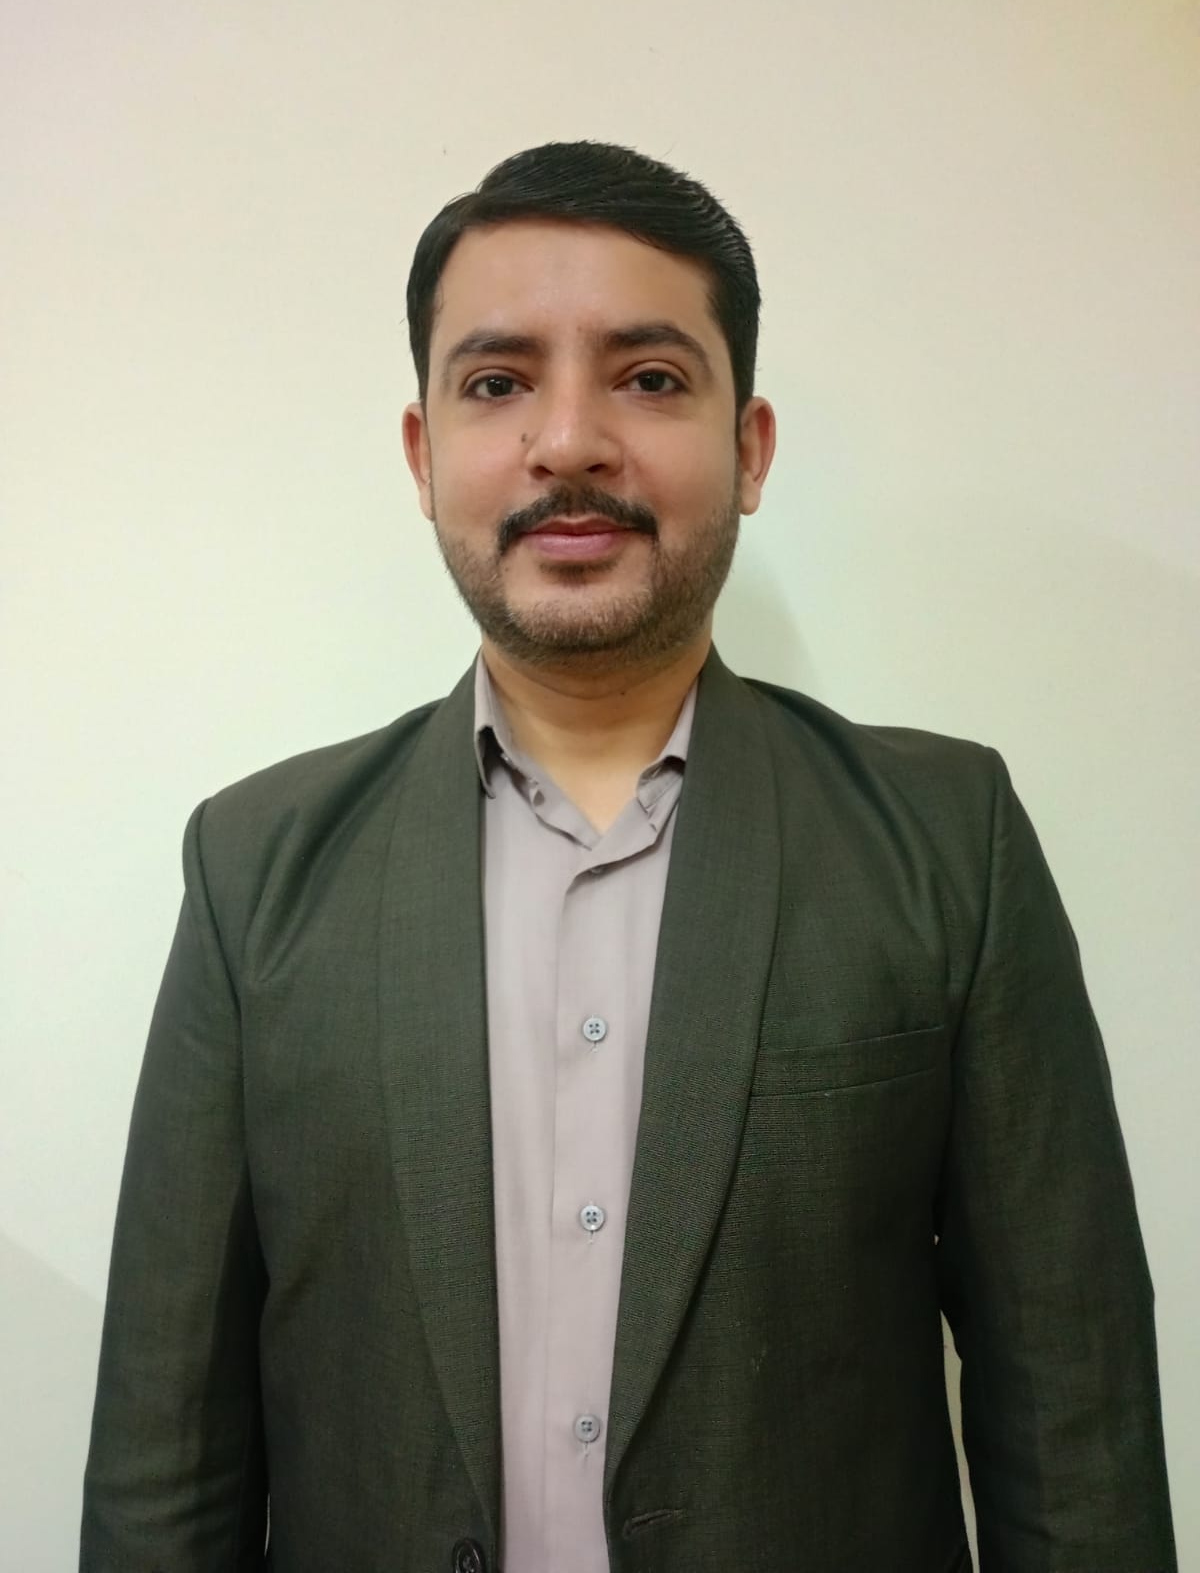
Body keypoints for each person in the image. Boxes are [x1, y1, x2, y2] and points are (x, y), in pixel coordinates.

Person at [80, 140, 1176, 1573]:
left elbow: (1077, 1433)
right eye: (497, 383)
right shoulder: (255, 873)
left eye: (650, 378)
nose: (570, 442)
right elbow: (166, 1459)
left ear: (751, 448)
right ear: (422, 454)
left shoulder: (943, 844)